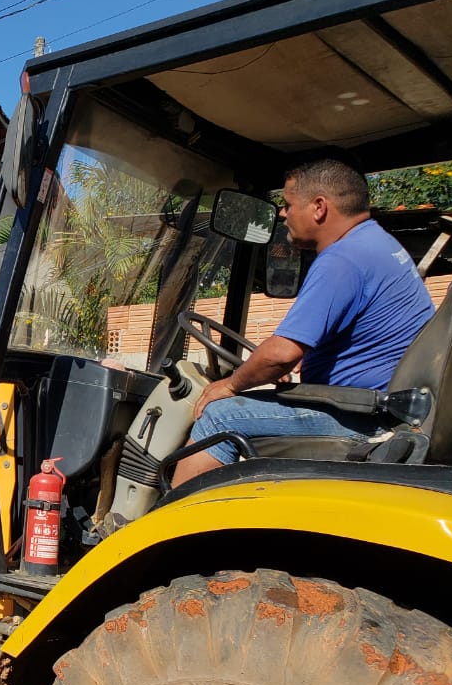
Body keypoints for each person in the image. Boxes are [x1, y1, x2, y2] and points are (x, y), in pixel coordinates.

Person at [172, 158, 434, 486]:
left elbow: (280, 354)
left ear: (319, 207)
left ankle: (168, 509)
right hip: (381, 407)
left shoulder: (343, 259)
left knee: (218, 416)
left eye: (288, 204)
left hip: (364, 418)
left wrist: (229, 385)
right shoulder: (375, 243)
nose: (282, 214)